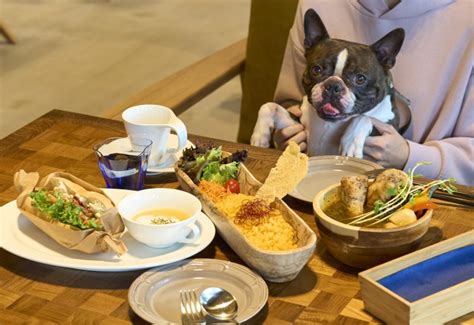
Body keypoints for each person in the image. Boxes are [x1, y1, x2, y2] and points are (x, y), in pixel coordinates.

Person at [272, 0, 473, 185]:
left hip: (424, 198)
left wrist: (409, 157)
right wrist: (285, 132)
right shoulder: (318, 4)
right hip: (305, 182)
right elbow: (289, 101)